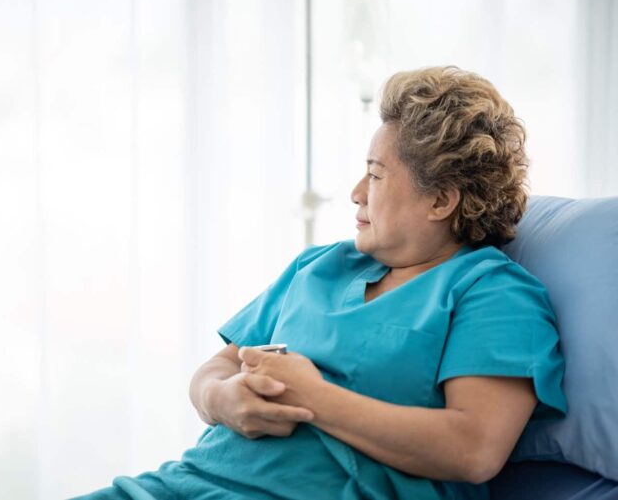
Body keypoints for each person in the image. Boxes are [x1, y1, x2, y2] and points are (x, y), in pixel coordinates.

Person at [70, 66, 567, 500]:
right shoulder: (322, 266)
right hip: (180, 485)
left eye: (375, 176)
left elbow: (473, 450)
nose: (356, 193)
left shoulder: (495, 295)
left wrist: (312, 396)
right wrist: (220, 399)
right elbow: (219, 366)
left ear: (440, 200)